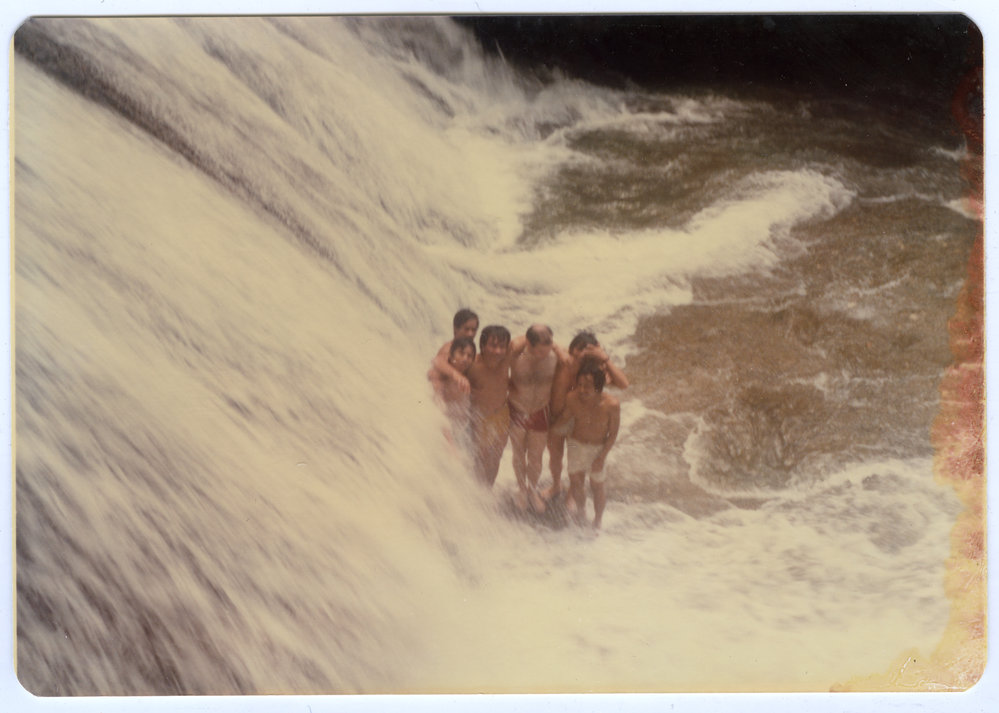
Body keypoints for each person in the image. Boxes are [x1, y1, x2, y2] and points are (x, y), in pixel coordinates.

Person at [543, 331, 628, 501]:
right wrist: (558, 350)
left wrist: (605, 358)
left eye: (580, 359)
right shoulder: (562, 360)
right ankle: (556, 484)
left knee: (576, 458)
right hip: (558, 416)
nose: (574, 362)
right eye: (573, 356)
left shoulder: (593, 372)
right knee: (556, 455)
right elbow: (544, 341)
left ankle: (572, 494)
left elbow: (623, 384)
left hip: (578, 418)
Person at [551, 356, 621, 529]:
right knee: (576, 483)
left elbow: (612, 434)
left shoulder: (611, 405)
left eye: (587, 386)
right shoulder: (572, 398)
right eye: (580, 384)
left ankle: (597, 520)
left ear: (598, 386)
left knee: (597, 486)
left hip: (598, 448)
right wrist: (551, 431)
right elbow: (565, 419)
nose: (582, 390)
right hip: (576, 444)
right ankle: (581, 512)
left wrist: (601, 457)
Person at [507, 324, 560, 513]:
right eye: (539, 352)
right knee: (519, 453)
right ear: (528, 343)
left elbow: (574, 362)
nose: (543, 356)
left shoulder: (555, 356)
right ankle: (521, 488)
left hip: (540, 410)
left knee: (536, 457)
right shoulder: (514, 354)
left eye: (547, 351)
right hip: (517, 409)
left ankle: (532, 490)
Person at [467, 325, 527, 487]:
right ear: (482, 346)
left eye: (502, 346)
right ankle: (474, 492)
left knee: (495, 459)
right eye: (493, 345)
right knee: (480, 458)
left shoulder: (506, 358)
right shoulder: (472, 365)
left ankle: (487, 491)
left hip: (501, 415)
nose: (498, 351)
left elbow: (529, 336)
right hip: (478, 418)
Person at [427, 337, 477, 449]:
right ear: (451, 356)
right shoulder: (440, 376)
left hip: (463, 431)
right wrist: (450, 443)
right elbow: (439, 411)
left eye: (469, 356)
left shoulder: (468, 375)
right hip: (444, 432)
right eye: (461, 353)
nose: (465, 359)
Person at [431, 309, 480, 396]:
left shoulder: (470, 349)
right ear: (456, 328)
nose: (470, 334)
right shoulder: (448, 348)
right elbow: (437, 361)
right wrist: (456, 375)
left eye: (473, 330)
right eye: (466, 329)